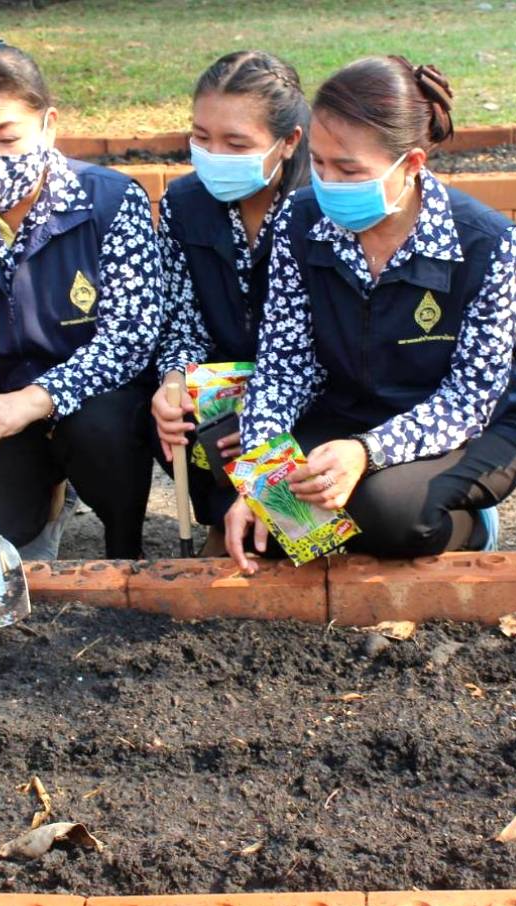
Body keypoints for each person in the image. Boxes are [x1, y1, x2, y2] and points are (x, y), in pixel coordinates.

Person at [225, 56, 516, 571]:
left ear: (412, 164)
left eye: (349, 170)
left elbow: (470, 397)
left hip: (469, 429)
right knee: (273, 510)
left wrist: (366, 452)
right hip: (345, 412)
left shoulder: (486, 241)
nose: (326, 183)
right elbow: (285, 365)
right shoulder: (298, 223)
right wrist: (261, 475)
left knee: (388, 513)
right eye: (320, 163)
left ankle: (472, 523)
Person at [0, 38, 161, 561]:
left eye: (7, 137)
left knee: (105, 436)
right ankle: (46, 499)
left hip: (92, 403)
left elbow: (132, 334)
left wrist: (34, 400)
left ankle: (123, 542)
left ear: (49, 126)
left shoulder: (110, 201)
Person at [150, 51, 308, 551]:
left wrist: (266, 418)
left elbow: (332, 346)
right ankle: (225, 517)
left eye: (236, 142)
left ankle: (274, 520)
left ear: (288, 143)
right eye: (201, 137)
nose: (214, 154)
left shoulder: (319, 209)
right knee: (165, 407)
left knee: (302, 537)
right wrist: (174, 380)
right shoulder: (183, 204)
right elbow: (182, 321)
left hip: (307, 395)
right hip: (223, 391)